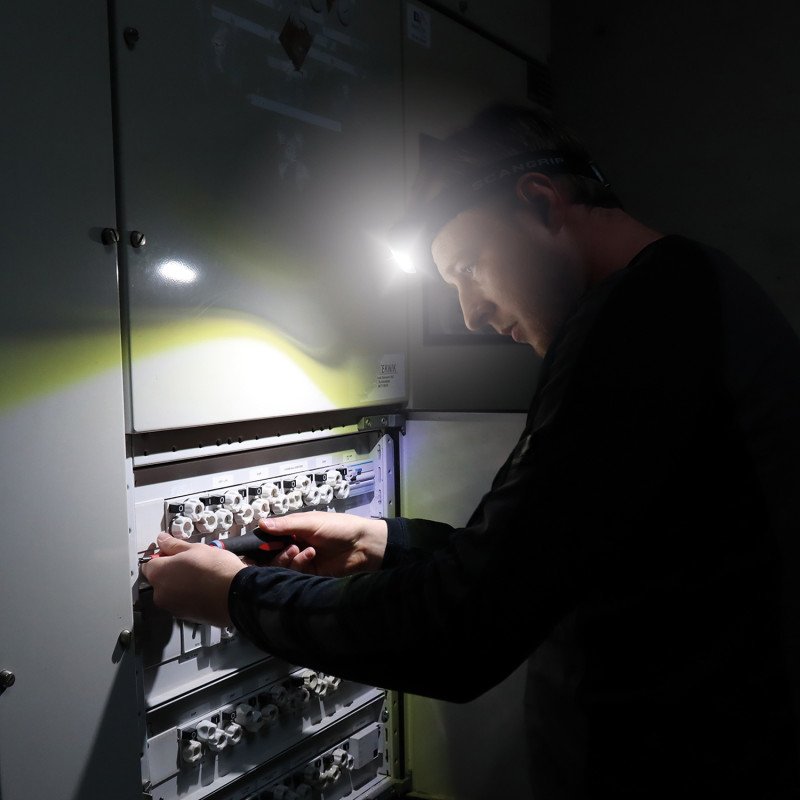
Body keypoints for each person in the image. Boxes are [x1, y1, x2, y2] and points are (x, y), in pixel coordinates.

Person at [143, 104, 800, 798]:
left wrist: (238, 595)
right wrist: (382, 543)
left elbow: (463, 630)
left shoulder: (639, 327)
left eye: (467, 267)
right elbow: (558, 559)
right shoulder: (692, 288)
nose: (471, 313)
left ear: (539, 203)